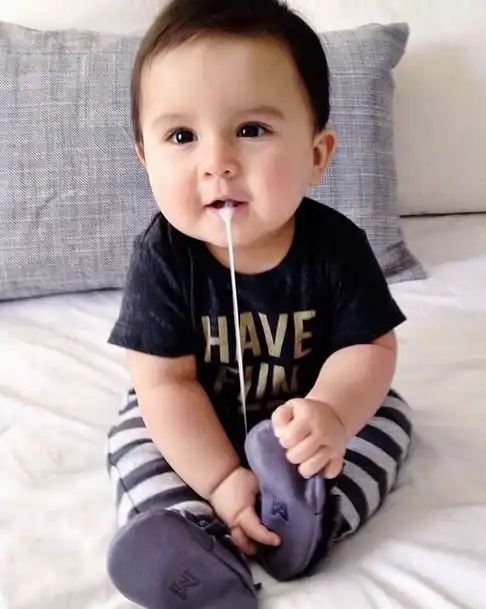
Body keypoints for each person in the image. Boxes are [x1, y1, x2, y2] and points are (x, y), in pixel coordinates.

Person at [105, 0, 413, 606]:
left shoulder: (336, 247)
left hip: (305, 420)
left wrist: (331, 414)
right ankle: (194, 540)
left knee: (390, 420)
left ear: (316, 155)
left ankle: (309, 519)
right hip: (198, 417)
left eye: (251, 130)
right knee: (133, 434)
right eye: (182, 136)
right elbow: (166, 383)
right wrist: (221, 481)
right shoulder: (162, 258)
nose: (217, 163)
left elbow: (369, 347)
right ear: (145, 159)